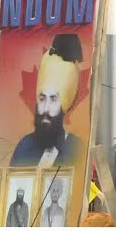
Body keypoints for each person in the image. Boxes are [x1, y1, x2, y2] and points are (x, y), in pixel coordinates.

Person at [10, 33, 85, 168]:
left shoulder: (75, 149)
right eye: (42, 99)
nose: (45, 108)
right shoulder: (24, 147)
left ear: (63, 106)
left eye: (53, 99)